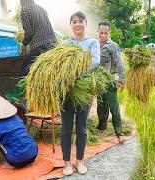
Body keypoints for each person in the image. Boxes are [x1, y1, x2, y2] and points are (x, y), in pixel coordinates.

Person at [61, 11, 100, 176]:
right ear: (71, 25)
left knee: (82, 128)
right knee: (66, 128)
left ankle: (79, 161)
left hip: (84, 91)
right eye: (74, 22)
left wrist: (75, 71)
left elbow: (95, 60)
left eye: (80, 21)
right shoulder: (66, 43)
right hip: (67, 91)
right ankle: (67, 163)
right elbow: (60, 62)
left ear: (85, 23)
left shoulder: (92, 42)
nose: (78, 24)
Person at [96, 22, 125, 142]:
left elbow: (120, 63)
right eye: (101, 32)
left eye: (105, 33)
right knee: (101, 106)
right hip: (99, 80)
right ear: (97, 32)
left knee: (114, 107)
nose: (103, 35)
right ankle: (102, 128)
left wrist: (122, 80)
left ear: (109, 33)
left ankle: (119, 131)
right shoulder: (95, 44)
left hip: (110, 80)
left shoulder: (113, 45)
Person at [19, 0, 57, 76]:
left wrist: (23, 44)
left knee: (24, 69)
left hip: (41, 46)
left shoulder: (24, 10)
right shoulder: (41, 9)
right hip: (54, 44)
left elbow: (29, 33)